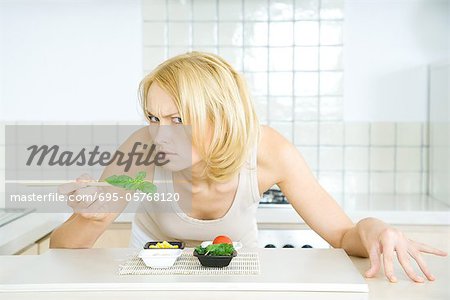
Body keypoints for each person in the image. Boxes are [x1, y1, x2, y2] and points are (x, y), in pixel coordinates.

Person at [50, 51, 447, 283]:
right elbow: (63, 251)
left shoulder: (269, 150)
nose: (160, 134)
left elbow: (343, 234)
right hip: (155, 277)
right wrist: (95, 217)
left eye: (179, 119)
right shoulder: (140, 148)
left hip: (239, 274)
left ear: (222, 116)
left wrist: (373, 228)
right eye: (154, 118)